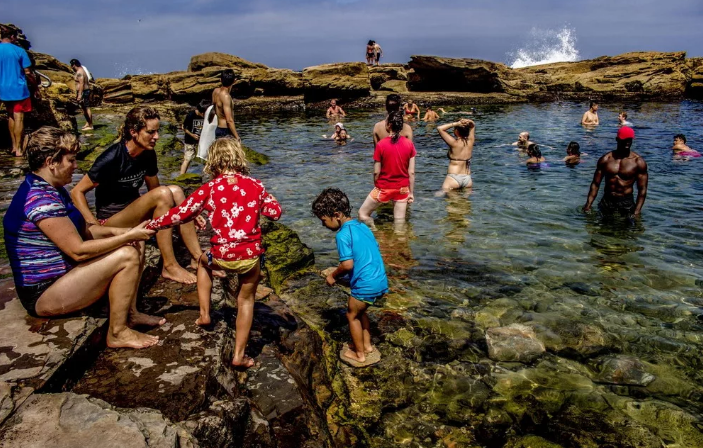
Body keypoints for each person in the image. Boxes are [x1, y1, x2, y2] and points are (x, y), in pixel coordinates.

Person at [4, 127, 163, 349]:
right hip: (44, 292)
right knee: (127, 254)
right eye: (71, 160)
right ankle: (117, 332)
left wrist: (128, 233)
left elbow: (87, 230)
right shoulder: (40, 199)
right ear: (51, 162)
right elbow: (77, 250)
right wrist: (126, 238)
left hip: (65, 277)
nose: (76, 166)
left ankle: (131, 313)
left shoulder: (53, 189)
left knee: (134, 242)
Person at [148, 138, 281, 369]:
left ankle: (205, 314)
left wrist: (153, 224)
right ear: (239, 159)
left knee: (202, 261)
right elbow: (275, 212)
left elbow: (180, 214)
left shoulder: (210, 188)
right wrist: (261, 203)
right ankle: (239, 355)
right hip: (250, 258)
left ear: (214, 163)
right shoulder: (255, 185)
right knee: (246, 300)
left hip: (221, 257)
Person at [70, 106, 203, 284]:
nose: (156, 137)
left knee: (176, 191)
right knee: (165, 193)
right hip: (111, 220)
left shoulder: (148, 154)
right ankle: (169, 266)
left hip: (134, 212)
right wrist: (92, 224)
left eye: (157, 131)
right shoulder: (112, 158)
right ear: (133, 132)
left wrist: (188, 212)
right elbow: (76, 191)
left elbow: (155, 190)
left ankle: (198, 258)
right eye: (150, 132)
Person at [312, 188, 388, 366]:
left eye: (324, 221)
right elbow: (372, 251)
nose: (323, 225)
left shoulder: (342, 235)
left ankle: (359, 354)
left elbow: (347, 265)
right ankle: (367, 346)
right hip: (380, 280)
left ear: (336, 215)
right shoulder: (362, 226)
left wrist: (333, 275)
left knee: (351, 315)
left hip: (365, 284)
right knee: (362, 312)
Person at [359, 111, 416, 226]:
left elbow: (376, 172)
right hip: (403, 188)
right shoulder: (409, 144)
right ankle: (398, 241)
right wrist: (411, 193)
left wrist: (377, 186)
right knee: (399, 223)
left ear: (389, 125)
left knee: (363, 214)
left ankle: (375, 234)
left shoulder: (381, 145)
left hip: (384, 187)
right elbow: (412, 172)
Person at [583, 126, 648, 217]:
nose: (628, 142)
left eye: (630, 139)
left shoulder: (638, 162)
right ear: (617, 139)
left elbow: (642, 190)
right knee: (601, 229)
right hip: (607, 200)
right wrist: (588, 204)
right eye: (624, 140)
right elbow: (595, 184)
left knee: (628, 230)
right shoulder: (606, 159)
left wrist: (637, 211)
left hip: (626, 202)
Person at [0, 25, 33, 157]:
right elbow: (28, 72)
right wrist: (34, 86)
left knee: (10, 116)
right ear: (12, 37)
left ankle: (13, 146)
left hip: (3, 89)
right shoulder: (19, 51)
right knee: (19, 117)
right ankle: (19, 149)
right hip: (18, 89)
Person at [437, 118, 475, 190]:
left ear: (456, 131)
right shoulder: (471, 142)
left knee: (441, 197)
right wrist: (469, 122)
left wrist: (456, 123)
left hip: (453, 177)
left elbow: (440, 128)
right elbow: (472, 126)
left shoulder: (454, 143)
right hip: (467, 178)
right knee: (464, 201)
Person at [181, 100, 209, 174]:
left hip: (201, 140)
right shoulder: (191, 115)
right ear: (201, 112)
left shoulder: (206, 116)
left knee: (206, 158)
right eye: (204, 114)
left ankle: (206, 174)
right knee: (188, 158)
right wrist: (192, 135)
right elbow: (183, 127)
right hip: (190, 140)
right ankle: (181, 175)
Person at [212, 69, 241, 141]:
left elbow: (214, 109)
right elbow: (229, 120)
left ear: (220, 80)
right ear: (234, 81)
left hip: (218, 129)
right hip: (226, 131)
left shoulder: (215, 91)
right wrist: (237, 137)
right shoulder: (226, 96)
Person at [70, 59, 93, 131]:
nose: (71, 67)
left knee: (86, 108)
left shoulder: (80, 72)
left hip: (84, 91)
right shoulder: (81, 70)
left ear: (74, 65)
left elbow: (81, 83)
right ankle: (88, 122)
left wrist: (80, 94)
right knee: (83, 108)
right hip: (83, 91)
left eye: (71, 65)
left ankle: (91, 125)